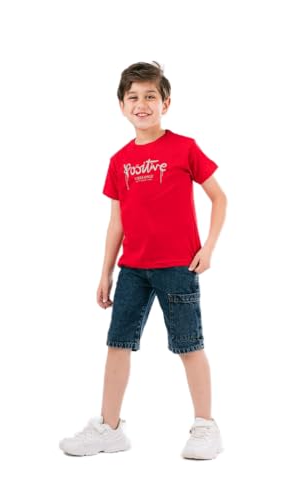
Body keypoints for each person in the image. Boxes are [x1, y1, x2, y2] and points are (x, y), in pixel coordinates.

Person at [59, 61, 227, 460]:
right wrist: (105, 272)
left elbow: (219, 197)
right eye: (133, 97)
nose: (142, 104)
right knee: (117, 344)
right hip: (132, 269)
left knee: (189, 345)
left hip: (178, 267)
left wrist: (208, 248)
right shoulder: (119, 161)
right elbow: (116, 222)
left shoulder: (184, 147)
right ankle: (110, 428)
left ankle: (206, 427)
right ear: (121, 106)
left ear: (165, 103)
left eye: (151, 96)